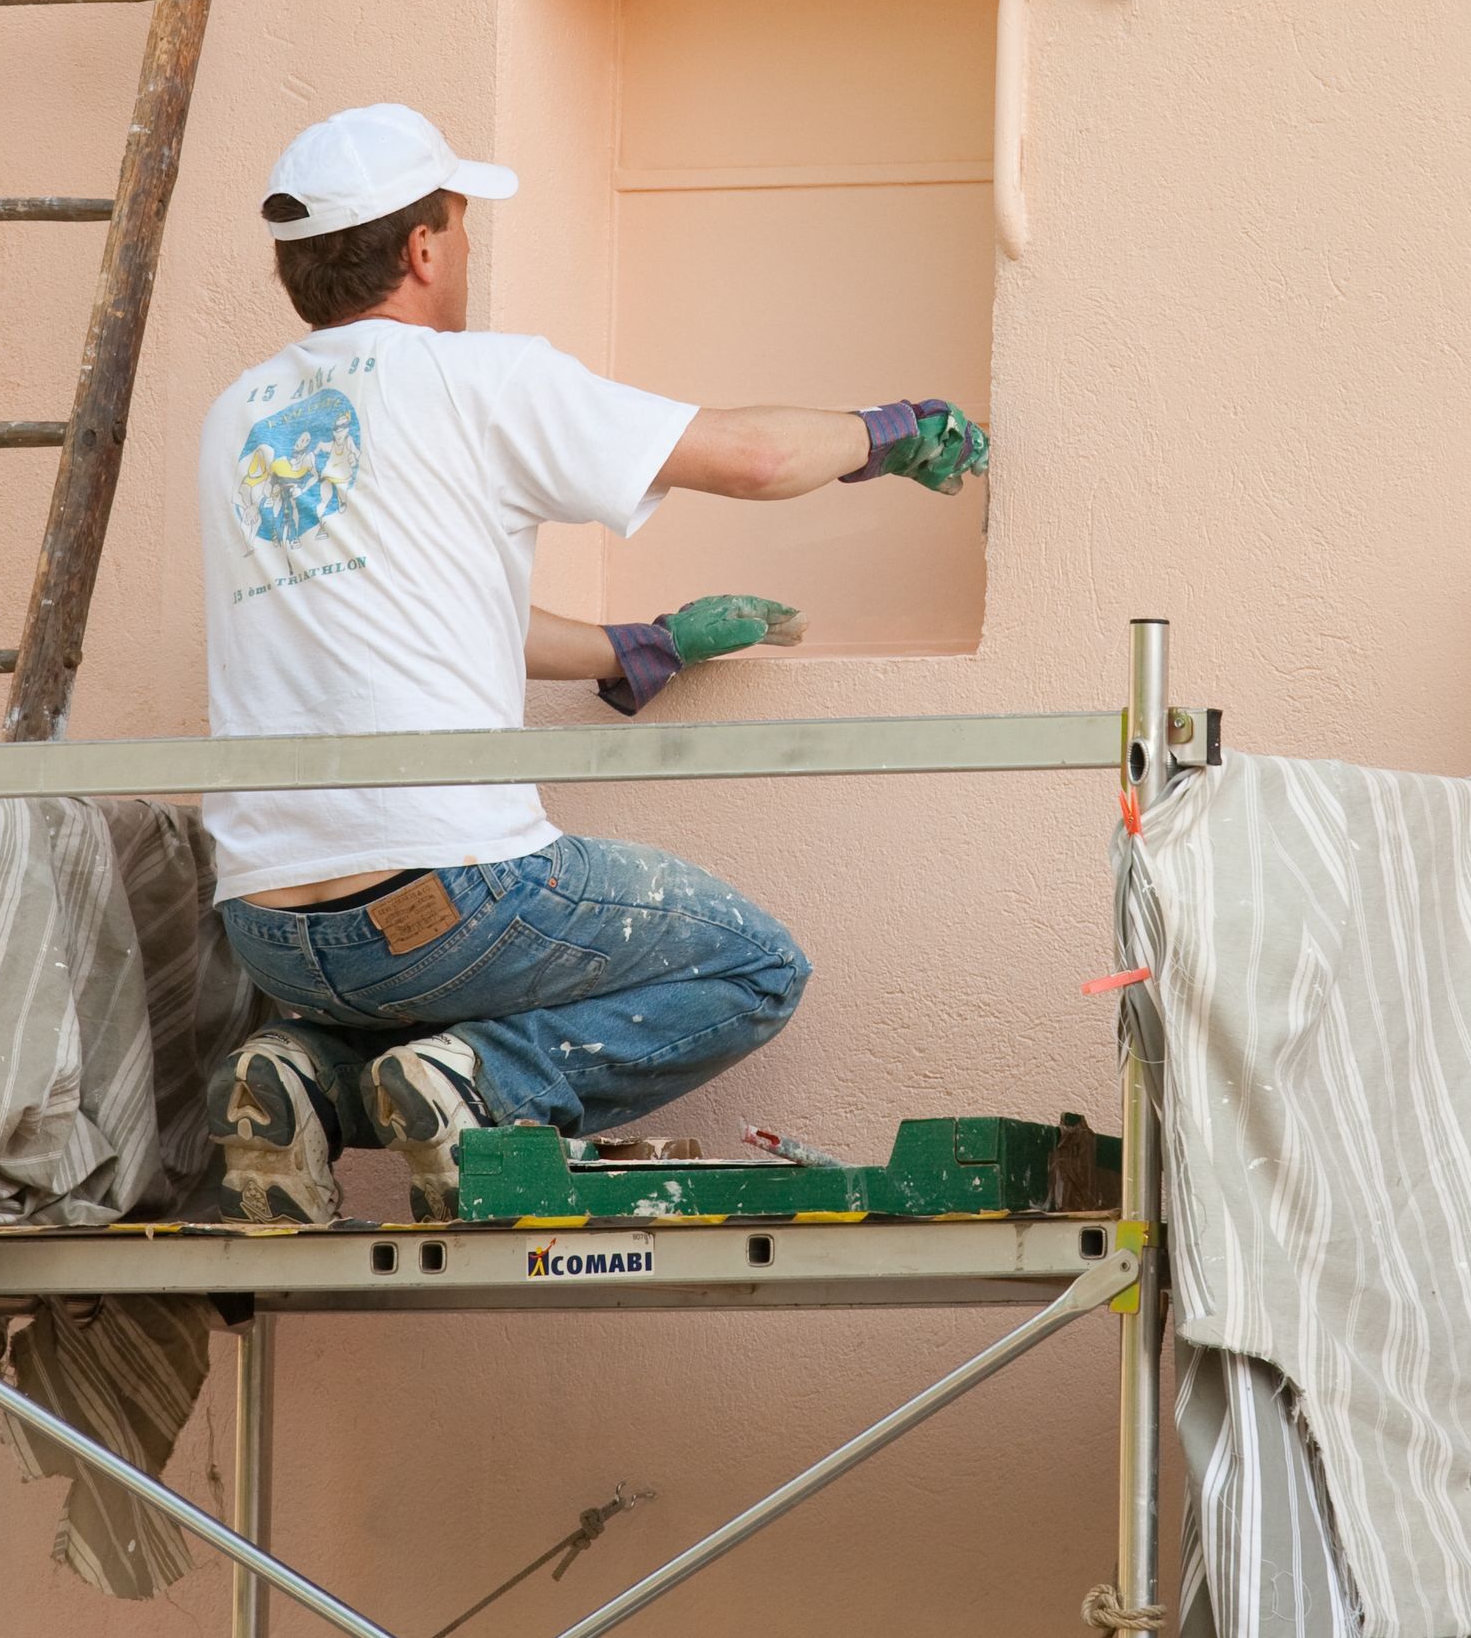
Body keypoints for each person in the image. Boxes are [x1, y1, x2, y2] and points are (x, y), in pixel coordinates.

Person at [198, 102, 990, 1223]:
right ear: (423, 249)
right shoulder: (477, 380)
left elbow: (432, 614)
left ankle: (305, 1080)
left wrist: (638, 646)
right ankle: (479, 1081)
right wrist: (890, 431)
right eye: (460, 227)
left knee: (378, 996)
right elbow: (756, 457)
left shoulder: (238, 421)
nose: (466, 249)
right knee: (755, 967)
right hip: (448, 900)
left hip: (273, 931)